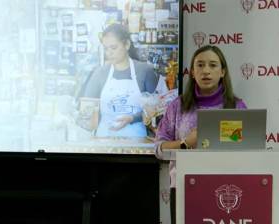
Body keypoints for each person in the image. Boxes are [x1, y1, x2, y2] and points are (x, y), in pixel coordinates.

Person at [154, 45, 247, 224]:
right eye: (200, 65)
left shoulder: (236, 107)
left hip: (227, 186)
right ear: (193, 72)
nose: (206, 71)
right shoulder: (177, 106)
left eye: (213, 65)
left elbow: (247, 151)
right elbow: (159, 149)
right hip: (183, 186)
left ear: (222, 72)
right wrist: (185, 143)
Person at [83, 23, 159, 137]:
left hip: (137, 143)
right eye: (106, 48)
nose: (109, 53)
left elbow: (157, 109)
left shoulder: (145, 71)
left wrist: (133, 118)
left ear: (127, 44)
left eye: (113, 47)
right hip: (104, 140)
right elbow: (87, 108)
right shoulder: (99, 73)